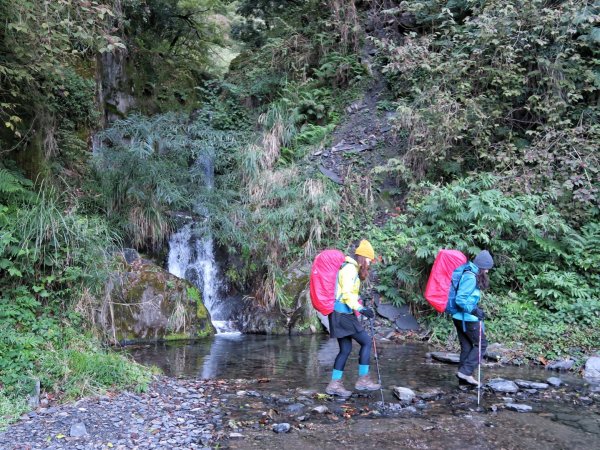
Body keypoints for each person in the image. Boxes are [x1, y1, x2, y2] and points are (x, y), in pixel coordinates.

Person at [325, 239, 381, 397]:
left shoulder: (350, 268)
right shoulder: (350, 269)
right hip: (343, 314)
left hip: (339, 313)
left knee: (346, 349)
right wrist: (361, 309)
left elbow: (345, 292)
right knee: (366, 341)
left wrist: (359, 300)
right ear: (363, 257)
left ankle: (334, 385)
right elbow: (347, 295)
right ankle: (363, 380)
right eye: (369, 259)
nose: (370, 262)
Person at [452, 250, 494, 387]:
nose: (487, 272)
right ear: (482, 267)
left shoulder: (470, 272)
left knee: (467, 347)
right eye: (487, 269)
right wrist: (475, 310)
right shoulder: (470, 277)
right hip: (467, 318)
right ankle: (466, 372)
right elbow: (460, 299)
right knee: (481, 345)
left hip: (459, 317)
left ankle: (462, 381)